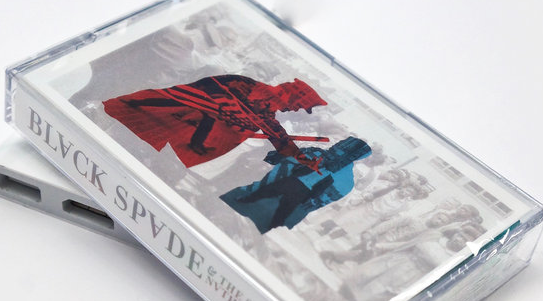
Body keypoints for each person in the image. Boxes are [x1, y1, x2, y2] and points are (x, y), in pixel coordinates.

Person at [103, 74, 327, 169]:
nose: (296, 109)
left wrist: (302, 158)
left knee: (208, 119)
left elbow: (280, 139)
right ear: (291, 95)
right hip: (191, 105)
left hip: (202, 120)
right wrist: (224, 103)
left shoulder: (266, 115)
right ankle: (135, 103)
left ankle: (195, 144)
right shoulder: (246, 84)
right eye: (299, 105)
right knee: (179, 103)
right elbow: (205, 87)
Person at [220, 137, 372, 233]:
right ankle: (268, 218)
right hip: (296, 197)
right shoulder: (348, 181)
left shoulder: (315, 153)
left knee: (270, 198)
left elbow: (276, 163)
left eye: (341, 145)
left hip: (294, 189)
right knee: (276, 203)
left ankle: (253, 206)